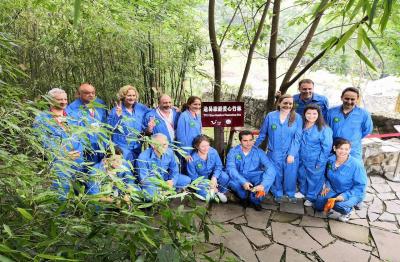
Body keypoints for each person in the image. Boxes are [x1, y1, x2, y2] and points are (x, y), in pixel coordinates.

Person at [34, 88, 84, 199]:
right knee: (61, 189)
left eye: (65, 99)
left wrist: (79, 152)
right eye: (59, 99)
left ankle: (79, 213)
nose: (63, 102)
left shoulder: (73, 116)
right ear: (50, 101)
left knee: (79, 190)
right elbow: (43, 140)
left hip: (77, 159)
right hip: (59, 160)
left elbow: (82, 135)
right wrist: (63, 153)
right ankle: (61, 214)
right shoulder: (42, 118)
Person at [255, 94, 302, 203]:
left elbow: (297, 138)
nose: (288, 105)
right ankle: (277, 193)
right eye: (285, 103)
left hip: (290, 152)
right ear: (279, 103)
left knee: (290, 174)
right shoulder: (270, 116)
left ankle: (290, 193)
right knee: (276, 173)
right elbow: (263, 134)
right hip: (274, 152)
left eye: (290, 103)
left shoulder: (297, 117)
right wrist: (253, 147)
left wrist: (292, 154)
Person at [314, 138, 367, 222]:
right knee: (319, 205)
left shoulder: (356, 165)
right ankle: (338, 202)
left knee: (339, 205)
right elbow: (327, 176)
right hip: (334, 189)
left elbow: (360, 186)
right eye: (340, 148)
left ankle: (348, 211)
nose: (343, 151)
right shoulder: (330, 160)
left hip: (353, 193)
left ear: (350, 150)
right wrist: (327, 186)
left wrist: (344, 196)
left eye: (346, 149)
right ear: (335, 148)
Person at [227, 130, 276, 211]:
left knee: (266, 180)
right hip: (239, 175)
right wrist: (243, 181)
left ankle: (256, 201)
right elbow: (231, 168)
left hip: (254, 176)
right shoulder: (233, 152)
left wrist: (263, 185)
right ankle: (243, 197)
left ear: (253, 140)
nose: (248, 143)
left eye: (250, 140)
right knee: (233, 183)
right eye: (245, 140)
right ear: (240, 141)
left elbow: (270, 167)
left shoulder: (259, 152)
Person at [297, 104, 333, 207]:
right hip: (301, 158)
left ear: (319, 115)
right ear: (304, 114)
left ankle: (311, 197)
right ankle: (303, 191)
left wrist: (320, 162)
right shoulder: (302, 125)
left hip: (315, 159)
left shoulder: (324, 129)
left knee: (314, 179)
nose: (311, 116)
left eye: (314, 113)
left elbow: (326, 148)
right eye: (308, 113)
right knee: (302, 176)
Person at [136, 133, 191, 199]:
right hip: (152, 183)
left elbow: (175, 170)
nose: (164, 147)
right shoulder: (143, 157)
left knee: (186, 180)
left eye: (165, 144)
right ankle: (161, 193)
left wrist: (172, 181)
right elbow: (143, 179)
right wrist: (162, 184)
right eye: (160, 145)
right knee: (149, 196)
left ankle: (168, 192)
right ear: (153, 145)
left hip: (165, 178)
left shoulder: (169, 152)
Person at [326, 87, 373, 160]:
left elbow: (367, 130)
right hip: (334, 149)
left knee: (352, 169)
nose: (349, 101)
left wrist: (353, 139)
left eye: (352, 99)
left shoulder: (364, 114)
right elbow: (326, 129)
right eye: (347, 98)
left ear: (357, 99)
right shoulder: (331, 112)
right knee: (332, 169)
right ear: (341, 98)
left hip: (353, 150)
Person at [66, 83, 108, 164]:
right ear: (79, 94)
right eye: (87, 93)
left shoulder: (100, 104)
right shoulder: (72, 108)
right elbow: (74, 130)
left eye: (93, 93)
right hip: (86, 148)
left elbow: (105, 123)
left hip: (101, 144)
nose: (91, 95)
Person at [108, 85, 150, 162]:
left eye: (134, 95)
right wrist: (118, 116)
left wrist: (169, 109)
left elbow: (152, 113)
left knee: (135, 169)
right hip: (122, 147)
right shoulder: (116, 110)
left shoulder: (140, 108)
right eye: (129, 95)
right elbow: (110, 128)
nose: (132, 98)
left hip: (137, 146)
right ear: (123, 96)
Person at [187, 135, 229, 202]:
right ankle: (215, 193)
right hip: (202, 181)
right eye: (203, 146)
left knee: (224, 177)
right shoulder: (192, 159)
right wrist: (209, 185)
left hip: (213, 177)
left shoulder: (213, 151)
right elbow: (193, 177)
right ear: (197, 147)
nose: (206, 148)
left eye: (207, 145)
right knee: (206, 196)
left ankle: (221, 192)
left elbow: (218, 166)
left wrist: (214, 177)